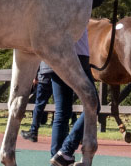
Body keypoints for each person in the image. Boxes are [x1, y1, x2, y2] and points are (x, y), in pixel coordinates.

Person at [49, 30, 93, 166]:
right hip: (77, 57)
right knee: (93, 105)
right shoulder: (78, 8)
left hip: (53, 56)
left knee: (61, 111)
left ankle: (57, 156)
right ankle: (66, 150)